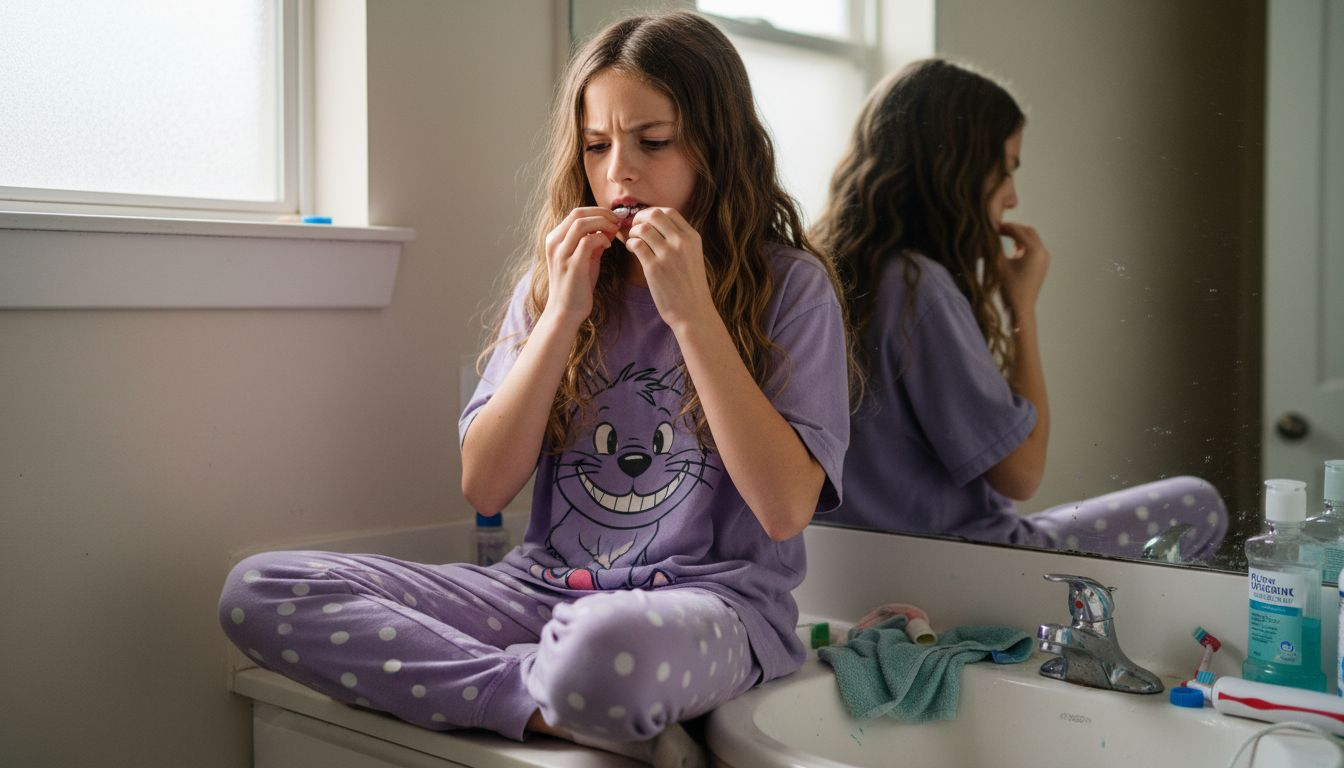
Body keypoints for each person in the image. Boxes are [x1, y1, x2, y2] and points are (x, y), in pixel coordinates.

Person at [217, 12, 850, 767]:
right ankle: (546, 703)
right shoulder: (557, 282)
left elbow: (784, 510)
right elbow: (484, 482)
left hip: (714, 610)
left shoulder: (792, 288)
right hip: (540, 596)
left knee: (604, 642)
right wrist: (561, 314)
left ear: (719, 145)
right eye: (596, 145)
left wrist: (692, 314)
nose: (620, 171)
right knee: (260, 590)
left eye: (653, 142)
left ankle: (568, 685)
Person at [810, 58, 1225, 561]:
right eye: (1004, 170)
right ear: (956, 171)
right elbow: (1022, 474)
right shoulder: (919, 289)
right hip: (967, 563)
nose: (1012, 197)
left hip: (851, 565)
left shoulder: (821, 271)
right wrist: (1022, 309)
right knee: (1198, 504)